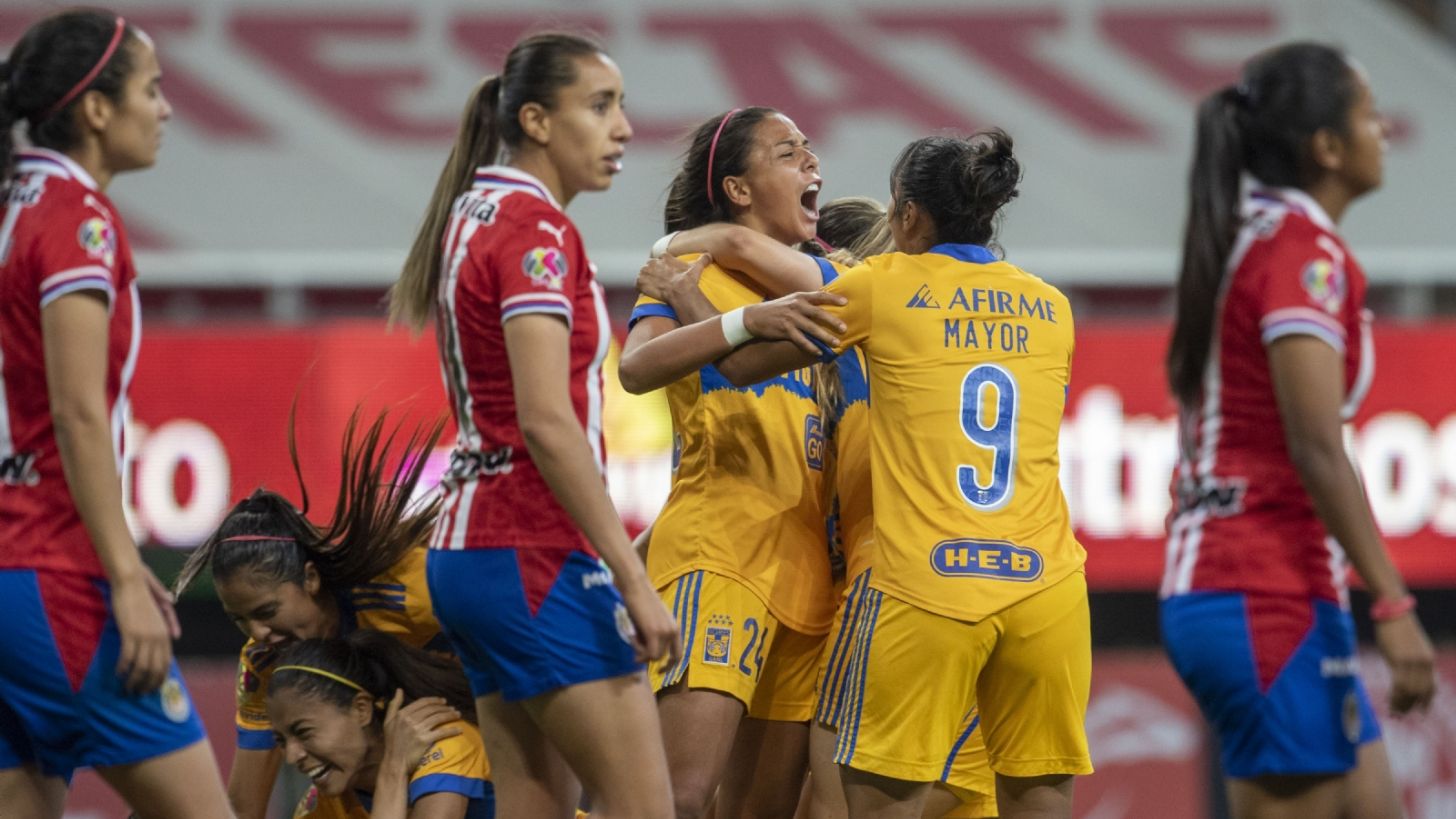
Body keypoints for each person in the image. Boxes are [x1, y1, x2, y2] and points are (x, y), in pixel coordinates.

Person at [387, 32, 820, 819]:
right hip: (532, 548)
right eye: (599, 106)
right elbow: (547, 422)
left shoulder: (472, 211)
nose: (622, 127)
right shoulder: (537, 230)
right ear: (536, 121)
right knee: (653, 805)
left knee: (533, 801)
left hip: (467, 550)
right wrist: (632, 578)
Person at [644, 128, 1090, 819]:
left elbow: (735, 361)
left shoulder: (887, 287)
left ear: (908, 215)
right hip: (1048, 590)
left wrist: (679, 264)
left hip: (924, 585)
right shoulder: (1052, 306)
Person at [638, 198, 996, 819]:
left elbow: (732, 357)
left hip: (900, 604)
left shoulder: (879, 338)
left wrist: (675, 264)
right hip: (885, 603)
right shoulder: (832, 390)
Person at [1160, 42, 1435, 818]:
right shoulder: (1300, 253)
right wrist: (1394, 603)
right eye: (1368, 114)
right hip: (1256, 590)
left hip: (1274, 587)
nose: (1384, 129)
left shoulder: (1256, 236)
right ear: (1327, 147)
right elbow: (1316, 446)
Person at [0, 10, 232, 818]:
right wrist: (127, 575)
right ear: (96, 108)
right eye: (151, 89)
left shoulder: (13, 203)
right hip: (52, 569)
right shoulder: (78, 218)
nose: (165, 109)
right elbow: (77, 411)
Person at [617, 107, 854, 819]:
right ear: (739, 189)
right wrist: (733, 315)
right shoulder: (688, 275)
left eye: (809, 148)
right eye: (787, 152)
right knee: (678, 799)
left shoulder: (829, 285)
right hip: (719, 554)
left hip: (808, 577)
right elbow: (636, 368)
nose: (811, 161)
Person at [173, 409, 456, 819]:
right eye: (240, 620)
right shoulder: (263, 665)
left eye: (266, 611)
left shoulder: (407, 587)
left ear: (309, 578)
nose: (258, 633)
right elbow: (245, 809)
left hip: (470, 745)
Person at [268, 630, 492, 819]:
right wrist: (393, 767)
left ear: (361, 709)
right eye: (281, 741)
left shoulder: (442, 739)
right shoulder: (324, 804)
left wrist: (394, 768)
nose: (291, 757)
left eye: (304, 732)